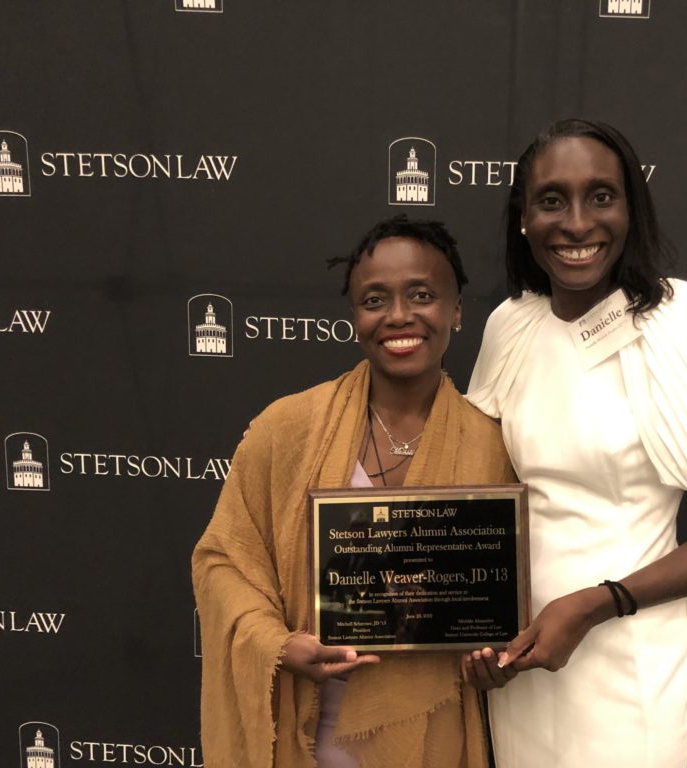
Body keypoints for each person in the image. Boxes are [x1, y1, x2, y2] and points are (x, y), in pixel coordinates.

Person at [463, 119, 687, 767]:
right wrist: (473, 633)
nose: (577, 222)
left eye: (601, 196)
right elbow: (484, 498)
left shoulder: (683, 324)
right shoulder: (511, 326)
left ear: (631, 209)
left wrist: (593, 605)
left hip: (629, 660)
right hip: (525, 661)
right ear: (522, 218)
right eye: (551, 199)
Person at [192, 215, 515, 768]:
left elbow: (502, 599)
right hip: (303, 734)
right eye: (374, 299)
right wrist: (275, 643)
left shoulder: (493, 446)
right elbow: (223, 558)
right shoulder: (288, 427)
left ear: (457, 310)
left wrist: (493, 657)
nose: (398, 316)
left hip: (426, 740)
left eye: (421, 295)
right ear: (354, 315)